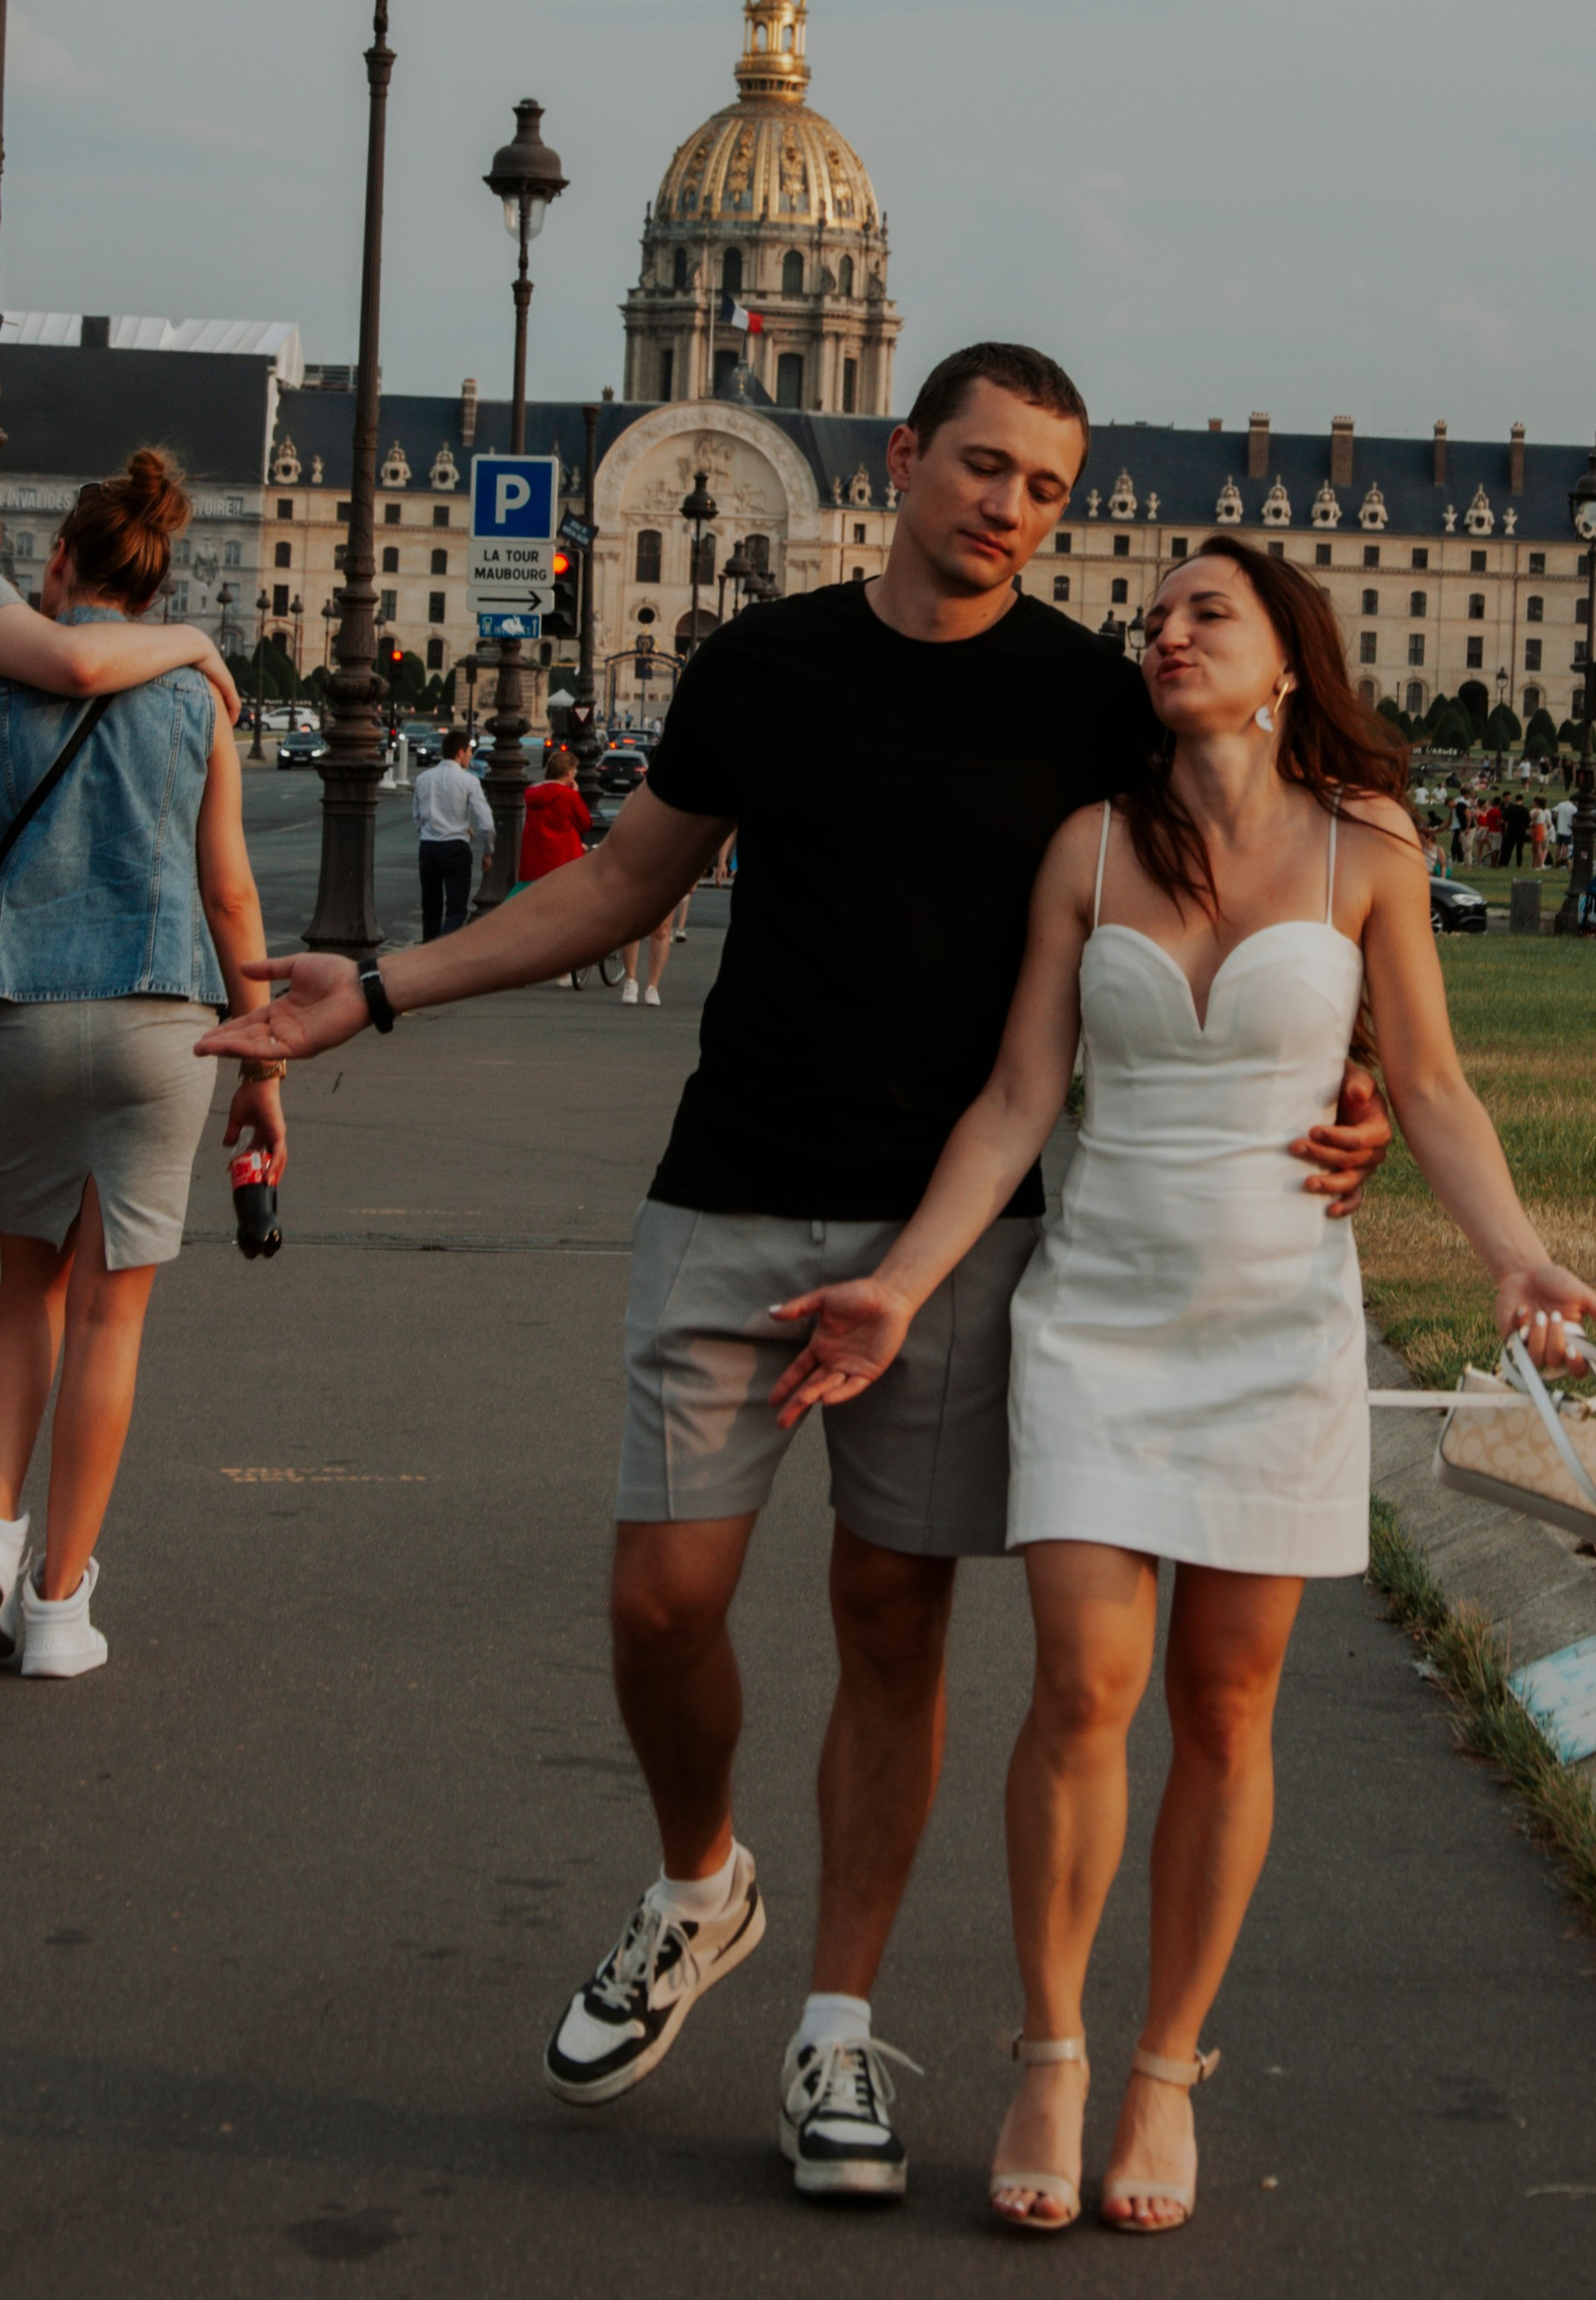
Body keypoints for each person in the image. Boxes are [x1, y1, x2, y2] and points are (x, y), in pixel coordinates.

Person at [198, 346, 1390, 2205]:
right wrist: (383, 985)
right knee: (661, 1598)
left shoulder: (1092, 700)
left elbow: (1259, 870)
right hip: (735, 1185)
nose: (1008, 506)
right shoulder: (762, 661)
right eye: (981, 465)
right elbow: (622, 885)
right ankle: (701, 1883)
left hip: (953, 1235)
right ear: (899, 456)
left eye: (1045, 488)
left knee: (892, 1619)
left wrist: (1351, 1078)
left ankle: (838, 2021)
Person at [768, 543, 1596, 2234]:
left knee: (1229, 1708)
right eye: (1152, 616)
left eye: (1204, 612)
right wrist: (901, 1285)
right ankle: (1052, 2051)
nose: (1165, 633)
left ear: (1287, 659)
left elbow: (1429, 1083)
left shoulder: (1372, 847)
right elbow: (1018, 1098)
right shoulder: (1089, 845)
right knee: (1082, 1689)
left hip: (1278, 1327)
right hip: (1097, 1319)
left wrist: (1517, 1255)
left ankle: (1165, 2069)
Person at [0, 451, 282, 1674]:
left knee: (25, 1283)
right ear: (157, 581)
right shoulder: (197, 698)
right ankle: (55, 1609)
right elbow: (232, 893)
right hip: (160, 1011)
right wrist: (265, 1066)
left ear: (58, 561)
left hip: (12, 1009)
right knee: (110, 1309)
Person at [519, 743, 595, 984]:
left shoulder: (532, 793)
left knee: (536, 917)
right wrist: (576, 793)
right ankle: (562, 971)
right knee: (566, 918)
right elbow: (585, 823)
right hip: (564, 860)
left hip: (534, 860)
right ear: (569, 773)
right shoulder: (568, 796)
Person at [413, 728, 494, 940]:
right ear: (460, 752)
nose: (470, 756)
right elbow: (486, 824)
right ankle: (442, 948)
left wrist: (435, 829)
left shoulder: (423, 778)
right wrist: (487, 851)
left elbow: (418, 818)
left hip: (428, 847)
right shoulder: (469, 781)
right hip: (455, 848)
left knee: (430, 909)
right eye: (469, 751)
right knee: (457, 910)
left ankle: (428, 950)